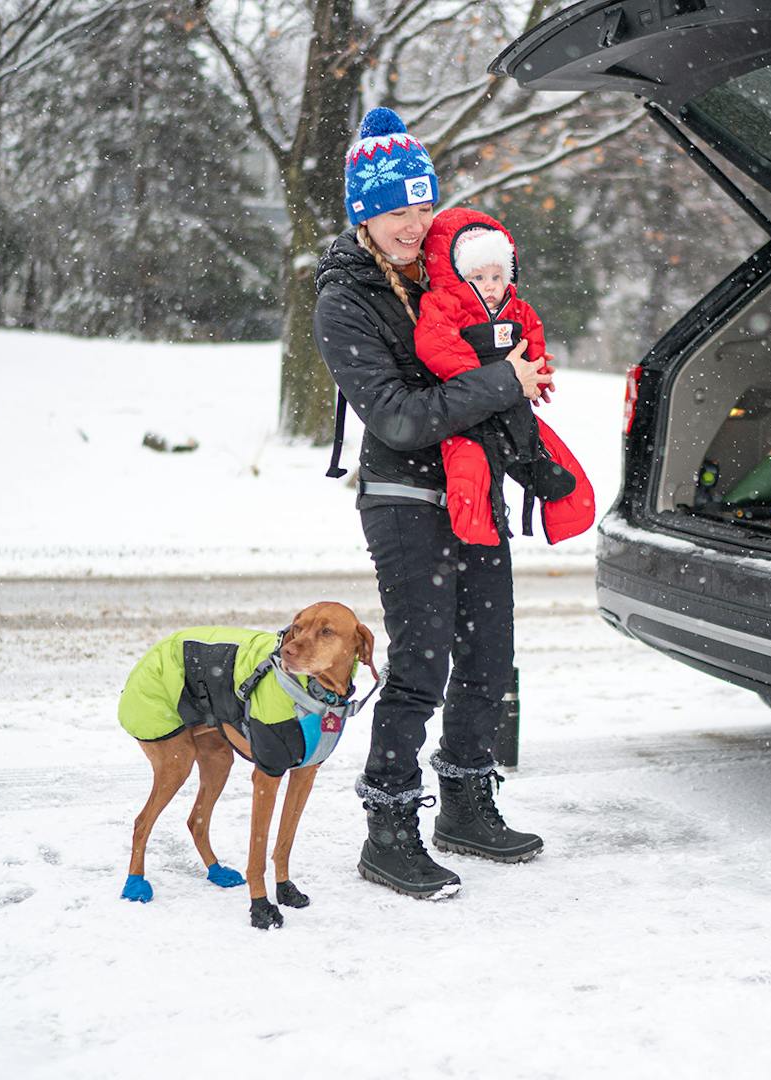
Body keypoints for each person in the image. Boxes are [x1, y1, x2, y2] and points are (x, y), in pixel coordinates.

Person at [313, 107, 551, 900]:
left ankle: (466, 803)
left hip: (472, 491)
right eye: (395, 210)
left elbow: (502, 361)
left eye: (423, 208)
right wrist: (498, 383)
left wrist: (520, 382)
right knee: (421, 665)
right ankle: (388, 828)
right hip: (402, 497)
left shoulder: (454, 280)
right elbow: (400, 416)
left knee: (487, 657)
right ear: (363, 214)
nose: (412, 224)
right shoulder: (344, 302)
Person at [414, 206, 595, 545]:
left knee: (535, 442)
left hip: (513, 405)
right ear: (457, 275)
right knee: (470, 464)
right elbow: (435, 345)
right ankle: (478, 527)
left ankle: (547, 483)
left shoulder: (516, 308)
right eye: (478, 278)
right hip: (469, 412)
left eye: (496, 277)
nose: (490, 286)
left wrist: (537, 370)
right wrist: (486, 381)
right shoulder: (443, 306)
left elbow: (532, 336)